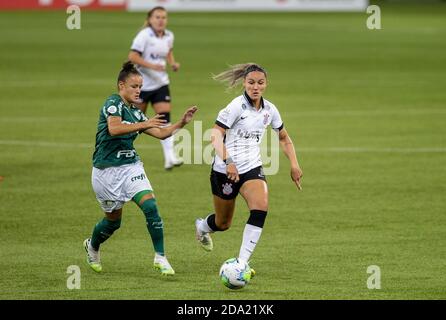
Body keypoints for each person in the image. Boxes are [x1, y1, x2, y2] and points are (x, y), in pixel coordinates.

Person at [84, 61, 197, 276]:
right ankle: (92, 246)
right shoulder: (113, 103)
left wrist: (181, 122)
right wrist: (145, 124)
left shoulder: (135, 113)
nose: (139, 90)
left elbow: (161, 133)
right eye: (134, 86)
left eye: (140, 86)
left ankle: (160, 257)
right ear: (121, 86)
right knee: (113, 223)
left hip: (131, 167)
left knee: (151, 207)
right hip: (105, 171)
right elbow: (114, 128)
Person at [195, 63, 303, 277]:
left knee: (261, 207)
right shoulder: (235, 107)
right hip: (224, 171)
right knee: (223, 223)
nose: (255, 87)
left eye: (260, 83)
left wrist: (294, 164)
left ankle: (241, 263)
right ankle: (202, 227)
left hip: (252, 168)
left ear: (266, 84)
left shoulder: (270, 110)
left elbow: (283, 137)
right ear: (244, 83)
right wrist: (228, 161)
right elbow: (215, 135)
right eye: (251, 82)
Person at [128, 6, 183, 170]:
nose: (161, 20)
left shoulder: (169, 36)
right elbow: (132, 56)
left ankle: (169, 157)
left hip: (161, 83)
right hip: (142, 86)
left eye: (164, 17)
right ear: (150, 19)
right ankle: (124, 152)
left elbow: (168, 52)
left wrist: (172, 63)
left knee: (165, 118)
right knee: (135, 121)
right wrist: (152, 66)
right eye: (157, 17)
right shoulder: (144, 35)